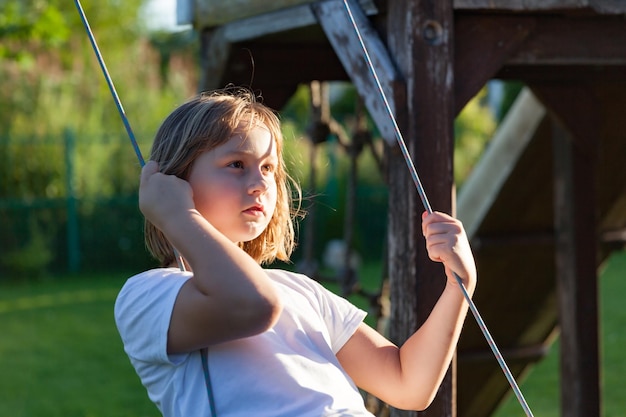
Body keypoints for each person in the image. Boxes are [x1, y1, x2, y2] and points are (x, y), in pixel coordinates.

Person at [114, 87, 477, 417]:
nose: (259, 183)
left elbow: (407, 383)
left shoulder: (298, 289)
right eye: (236, 164)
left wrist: (459, 284)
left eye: (268, 168)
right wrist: (179, 215)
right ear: (175, 181)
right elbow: (253, 305)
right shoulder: (149, 294)